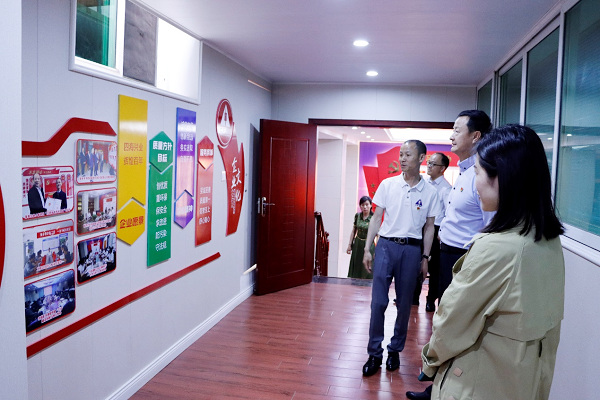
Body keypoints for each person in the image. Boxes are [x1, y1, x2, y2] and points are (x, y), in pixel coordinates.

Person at [416, 124, 565, 400]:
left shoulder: (497, 248)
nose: (475, 184)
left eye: (478, 172)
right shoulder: (547, 239)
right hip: (524, 380)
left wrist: (430, 362)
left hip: (478, 383)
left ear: (503, 178)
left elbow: (451, 324)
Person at [406, 110, 494, 400]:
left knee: (455, 325)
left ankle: (444, 388)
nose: (451, 136)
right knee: (444, 319)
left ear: (476, 136)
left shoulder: (483, 174)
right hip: (447, 255)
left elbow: (490, 226)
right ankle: (437, 385)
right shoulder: (465, 171)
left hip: (464, 258)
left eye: (457, 130)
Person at [361, 140, 442, 377]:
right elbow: (376, 217)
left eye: (408, 155)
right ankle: (374, 353)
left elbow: (430, 227)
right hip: (386, 246)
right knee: (378, 302)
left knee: (405, 304)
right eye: (401, 154)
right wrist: (367, 249)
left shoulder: (430, 192)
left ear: (421, 158)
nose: (403, 159)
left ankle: (395, 350)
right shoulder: (388, 185)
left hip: (412, 250)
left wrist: (425, 257)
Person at [416, 153, 451, 312]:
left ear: (442, 169)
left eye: (433, 164)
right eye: (428, 163)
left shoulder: (446, 189)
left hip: (436, 230)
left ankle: (431, 299)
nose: (429, 166)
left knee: (434, 268)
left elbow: (449, 213)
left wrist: (441, 232)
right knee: (417, 263)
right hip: (421, 227)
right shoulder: (423, 183)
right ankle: (413, 296)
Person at [346, 196, 374, 279]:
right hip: (357, 244)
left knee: (367, 268)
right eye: (362, 205)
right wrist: (349, 245)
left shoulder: (373, 218)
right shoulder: (357, 216)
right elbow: (353, 231)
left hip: (369, 245)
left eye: (367, 204)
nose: (365, 207)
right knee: (357, 265)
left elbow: (378, 234)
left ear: (370, 205)